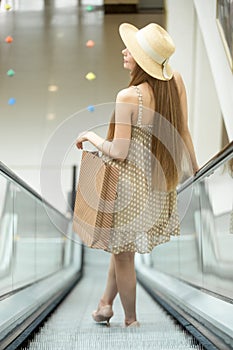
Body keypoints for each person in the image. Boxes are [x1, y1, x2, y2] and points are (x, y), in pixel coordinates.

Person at [76, 23, 199, 327]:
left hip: (129, 188)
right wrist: (196, 171)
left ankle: (131, 320)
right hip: (159, 186)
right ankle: (105, 305)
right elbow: (183, 131)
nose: (124, 51)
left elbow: (118, 151)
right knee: (122, 250)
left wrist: (91, 136)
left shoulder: (128, 96)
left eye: (129, 49)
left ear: (142, 59)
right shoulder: (176, 82)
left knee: (123, 254)